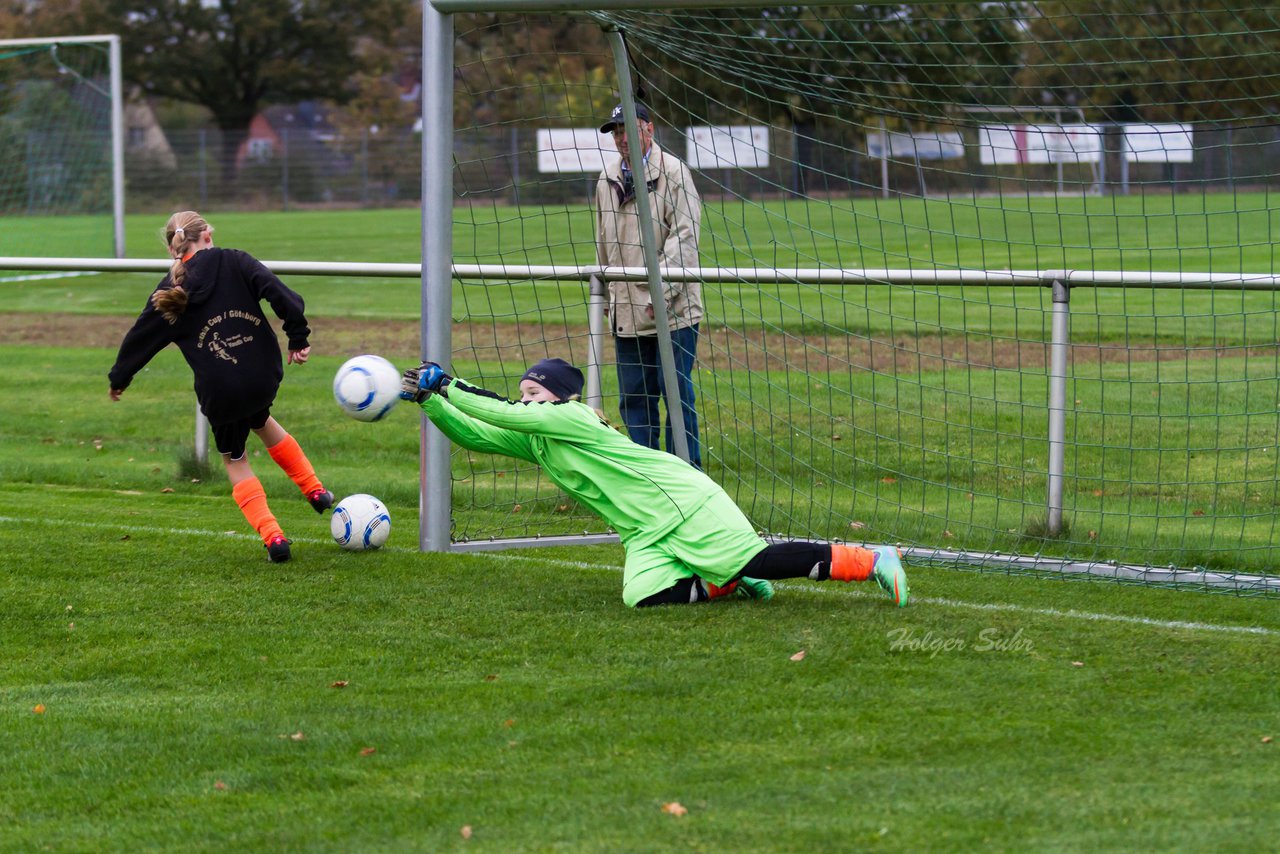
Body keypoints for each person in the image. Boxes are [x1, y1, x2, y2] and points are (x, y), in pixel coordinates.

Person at [401, 357, 909, 608]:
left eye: (532, 392)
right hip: (646, 531)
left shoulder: (572, 419)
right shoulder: (539, 439)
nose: (524, 399)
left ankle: (871, 561)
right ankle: (720, 580)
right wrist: (432, 404)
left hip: (682, 501)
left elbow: (498, 410)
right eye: (522, 391)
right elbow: (478, 434)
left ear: (557, 398)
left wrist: (448, 384)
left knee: (755, 556)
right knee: (642, 597)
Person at [107, 211, 333, 563]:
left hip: (221, 390)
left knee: (236, 458)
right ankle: (315, 491)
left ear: (173, 248)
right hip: (262, 374)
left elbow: (140, 338)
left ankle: (274, 537)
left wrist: (119, 378)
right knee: (260, 418)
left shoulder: (169, 290)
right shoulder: (235, 260)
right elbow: (281, 294)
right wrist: (297, 337)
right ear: (208, 235)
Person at [595, 102, 705, 468]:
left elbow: (685, 239)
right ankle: (647, 475)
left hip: (672, 310)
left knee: (674, 393)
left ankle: (687, 475)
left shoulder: (674, 173)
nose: (623, 137)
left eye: (629, 128)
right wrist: (607, 295)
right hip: (625, 309)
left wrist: (661, 294)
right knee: (633, 398)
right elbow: (603, 240)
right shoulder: (606, 178)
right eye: (616, 131)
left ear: (650, 129)